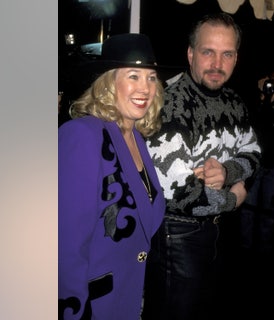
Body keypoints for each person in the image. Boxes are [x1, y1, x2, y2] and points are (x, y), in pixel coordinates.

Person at [142, 13, 261, 320]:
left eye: (227, 54)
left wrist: (227, 172)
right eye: (208, 52)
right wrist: (234, 198)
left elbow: (254, 151)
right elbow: (181, 194)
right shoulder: (168, 102)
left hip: (219, 233)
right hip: (178, 236)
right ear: (191, 54)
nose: (217, 64)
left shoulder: (234, 101)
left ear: (237, 57)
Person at [58, 33, 166, 320]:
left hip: (130, 300)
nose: (145, 88)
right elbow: (65, 245)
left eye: (151, 77)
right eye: (133, 76)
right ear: (108, 83)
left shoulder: (137, 139)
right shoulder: (82, 135)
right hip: (92, 307)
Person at [241, 63, 274, 255]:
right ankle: (245, 248)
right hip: (256, 162)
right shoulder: (259, 100)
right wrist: (263, 98)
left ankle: (264, 250)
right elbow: (254, 125)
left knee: (269, 209)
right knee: (249, 207)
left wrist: (271, 102)